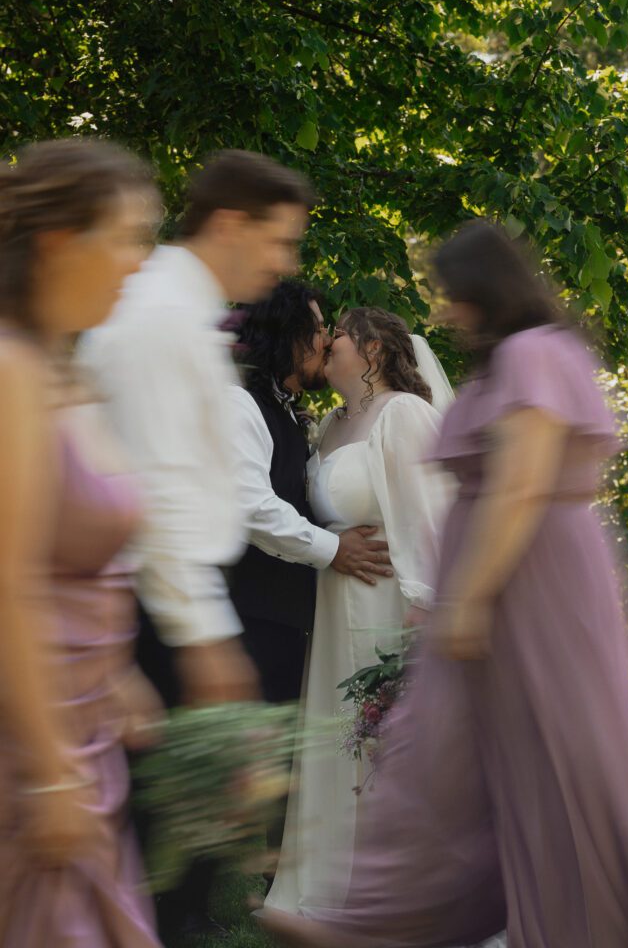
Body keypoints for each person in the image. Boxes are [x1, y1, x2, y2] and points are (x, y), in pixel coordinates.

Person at [260, 221, 628, 948]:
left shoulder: (533, 354)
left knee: (551, 762)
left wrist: (465, 600)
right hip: (493, 584)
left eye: (451, 297)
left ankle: (594, 928)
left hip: (531, 584)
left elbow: (518, 487)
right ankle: (392, 922)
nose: (444, 313)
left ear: (486, 292)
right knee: (455, 758)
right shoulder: (502, 368)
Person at [78, 149, 314, 938]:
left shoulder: (184, 313)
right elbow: (156, 493)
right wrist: (204, 639)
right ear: (229, 223)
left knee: (179, 853)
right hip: (158, 615)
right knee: (156, 859)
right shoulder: (159, 318)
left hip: (175, 608)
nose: (285, 264)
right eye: (279, 242)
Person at [0, 138, 163, 946]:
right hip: (31, 749)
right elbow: (10, 583)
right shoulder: (10, 371)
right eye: (128, 237)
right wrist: (46, 769)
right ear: (61, 239)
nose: (139, 262)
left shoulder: (68, 371)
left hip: (85, 731)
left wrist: (122, 673)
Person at [265, 307, 453, 916]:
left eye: (337, 334)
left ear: (371, 349)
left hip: (389, 603)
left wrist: (423, 617)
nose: (326, 343)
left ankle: (403, 893)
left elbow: (432, 519)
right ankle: (330, 883)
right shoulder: (330, 426)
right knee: (337, 736)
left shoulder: (404, 414)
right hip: (335, 597)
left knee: (383, 740)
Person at [229, 279, 393, 706]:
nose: (327, 342)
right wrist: (334, 547)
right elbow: (252, 506)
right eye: (320, 329)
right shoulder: (239, 404)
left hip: (286, 624)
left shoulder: (291, 416)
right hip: (245, 626)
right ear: (288, 332)